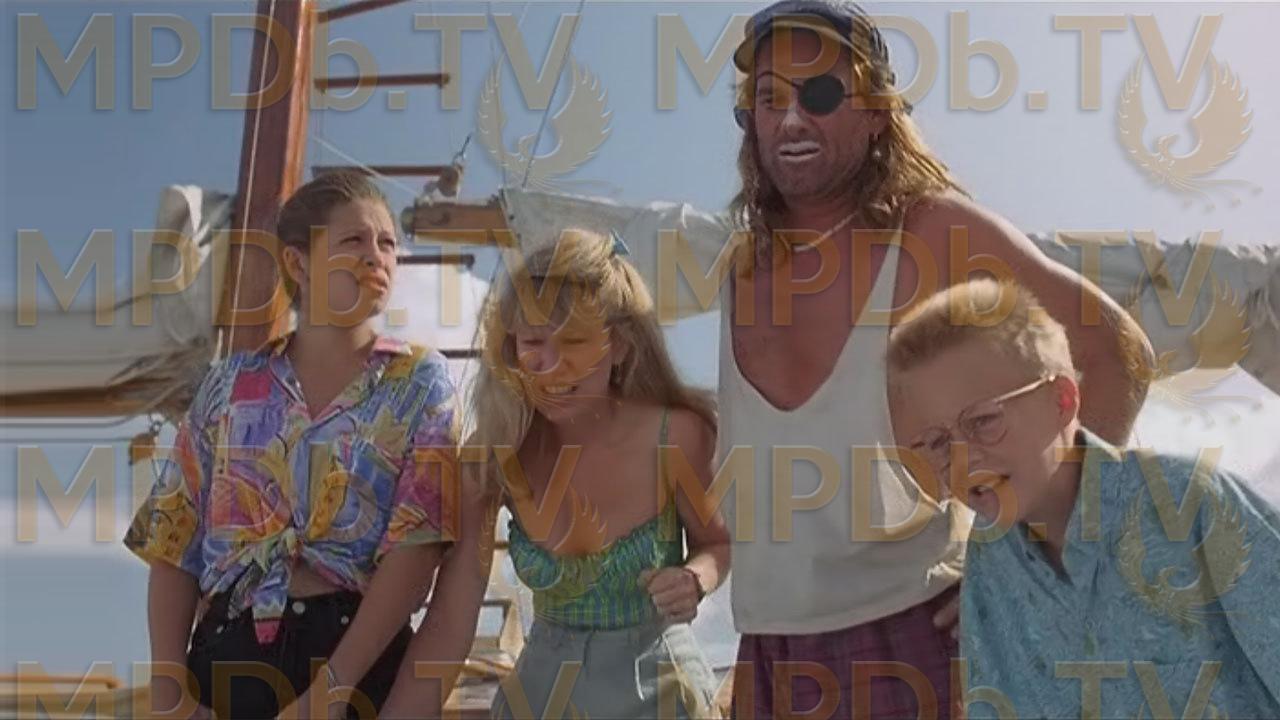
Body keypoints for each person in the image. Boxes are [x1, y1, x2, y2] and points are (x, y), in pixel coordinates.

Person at [126, 170, 470, 719]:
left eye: (387, 243)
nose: (376, 256)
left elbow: (418, 546)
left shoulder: (421, 382)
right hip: (225, 661)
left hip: (354, 663)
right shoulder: (228, 384)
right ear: (298, 262)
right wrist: (168, 693)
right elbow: (174, 538)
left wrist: (330, 692)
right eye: (354, 240)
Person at [886, 278, 1280, 718]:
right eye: (938, 442)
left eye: (982, 421)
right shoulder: (989, 558)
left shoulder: (1190, 504)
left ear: (1062, 400)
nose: (963, 459)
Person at [463, 229, 729, 719]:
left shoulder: (676, 434)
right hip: (540, 696)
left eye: (575, 340)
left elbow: (718, 544)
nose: (551, 364)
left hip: (663, 691)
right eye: (534, 341)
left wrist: (695, 579)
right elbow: (454, 599)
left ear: (621, 346)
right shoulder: (501, 448)